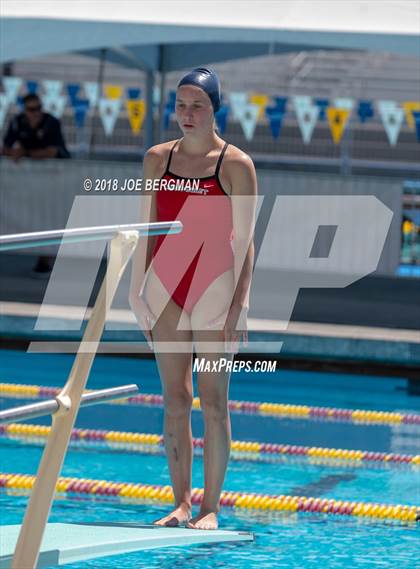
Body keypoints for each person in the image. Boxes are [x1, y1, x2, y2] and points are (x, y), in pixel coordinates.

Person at [129, 67, 257, 530]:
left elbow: (245, 241)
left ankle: (210, 508)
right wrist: (134, 289)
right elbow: (145, 228)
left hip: (214, 289)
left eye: (197, 105)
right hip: (166, 288)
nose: (187, 114)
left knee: (213, 400)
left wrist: (240, 305)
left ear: (214, 109)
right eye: (181, 105)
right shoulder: (156, 160)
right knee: (175, 399)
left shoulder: (235, 165)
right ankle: (181, 503)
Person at [2, 93, 70, 275]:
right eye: (32, 109)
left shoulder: (51, 122)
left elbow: (51, 151)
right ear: (25, 110)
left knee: (48, 219)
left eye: (39, 108)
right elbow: (6, 148)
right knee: (25, 216)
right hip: (29, 183)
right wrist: (15, 153)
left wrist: (25, 154)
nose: (36, 113)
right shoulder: (17, 122)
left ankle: (45, 258)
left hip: (54, 181)